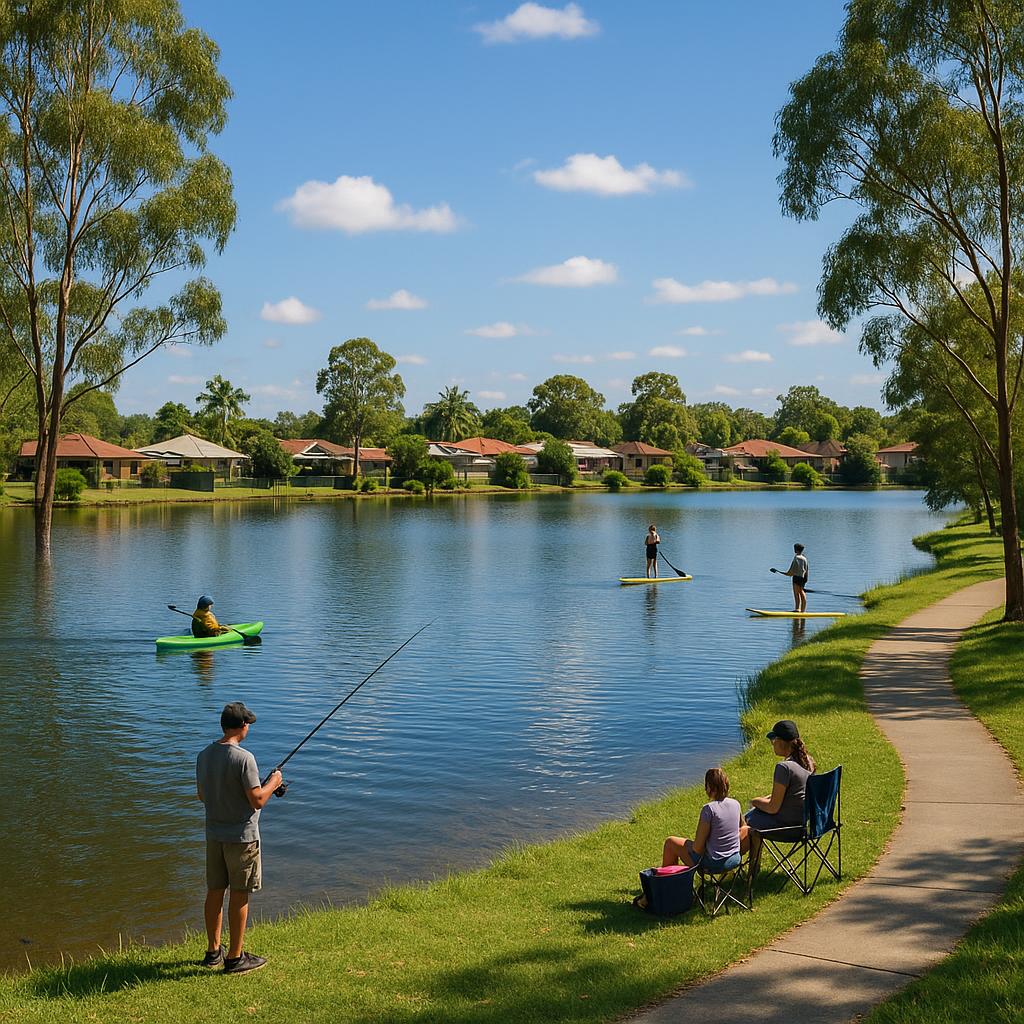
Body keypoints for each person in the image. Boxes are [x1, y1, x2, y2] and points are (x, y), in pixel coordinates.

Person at [196, 702, 283, 975]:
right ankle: (235, 958)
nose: (249, 729)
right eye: (248, 725)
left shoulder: (204, 755)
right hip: (242, 838)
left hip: (214, 835)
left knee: (214, 891)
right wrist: (274, 783)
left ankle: (213, 952)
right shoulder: (245, 758)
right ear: (242, 726)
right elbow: (257, 800)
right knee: (239, 893)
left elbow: (202, 795)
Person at [633, 768, 744, 909]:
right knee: (681, 844)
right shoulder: (736, 804)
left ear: (710, 787)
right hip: (733, 859)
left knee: (670, 843)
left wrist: (689, 844)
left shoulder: (709, 809)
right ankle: (671, 886)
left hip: (713, 863)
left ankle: (667, 890)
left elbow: (698, 848)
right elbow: (742, 827)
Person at [745, 719, 816, 868]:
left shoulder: (784, 767)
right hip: (809, 823)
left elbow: (773, 808)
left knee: (749, 818)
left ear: (781, 742)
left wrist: (755, 801)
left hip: (789, 828)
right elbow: (793, 794)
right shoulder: (808, 761)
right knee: (754, 815)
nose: (772, 744)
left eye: (773, 740)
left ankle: (750, 869)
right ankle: (751, 868)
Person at [775, 543, 809, 612]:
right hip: (803, 578)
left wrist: (786, 573)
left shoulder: (796, 557)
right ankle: (803, 611)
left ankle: (797, 609)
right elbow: (806, 569)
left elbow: (792, 570)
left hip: (796, 578)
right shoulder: (804, 558)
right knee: (802, 592)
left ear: (796, 550)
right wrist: (805, 579)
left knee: (797, 593)